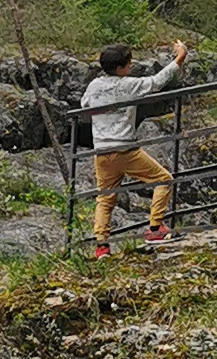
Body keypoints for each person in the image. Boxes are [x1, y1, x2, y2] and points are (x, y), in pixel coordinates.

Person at [78, 36, 189, 255]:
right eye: (128, 64)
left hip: (101, 150)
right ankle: (155, 228)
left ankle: (102, 247)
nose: (131, 66)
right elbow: (157, 81)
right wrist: (180, 57)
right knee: (163, 179)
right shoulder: (128, 85)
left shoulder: (95, 85)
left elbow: (84, 106)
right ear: (120, 68)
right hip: (125, 149)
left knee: (105, 198)